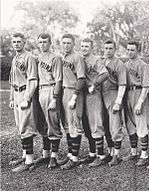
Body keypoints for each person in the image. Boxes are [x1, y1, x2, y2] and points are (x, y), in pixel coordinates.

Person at [9, 33, 38, 172]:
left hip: (25, 92)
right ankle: (24, 155)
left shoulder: (29, 57)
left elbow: (33, 79)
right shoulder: (15, 58)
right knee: (20, 126)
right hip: (16, 92)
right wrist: (11, 98)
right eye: (14, 41)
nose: (16, 44)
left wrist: (27, 98)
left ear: (24, 42)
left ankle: (29, 162)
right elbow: (12, 80)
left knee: (26, 127)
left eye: (19, 41)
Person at [34, 33, 63, 169]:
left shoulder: (56, 58)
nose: (42, 44)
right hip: (40, 90)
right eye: (40, 42)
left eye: (45, 42)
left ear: (50, 43)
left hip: (51, 89)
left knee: (53, 124)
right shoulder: (37, 57)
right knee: (42, 124)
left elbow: (58, 80)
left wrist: (55, 98)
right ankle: (46, 154)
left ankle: (54, 156)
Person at [80, 38, 110, 167]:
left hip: (93, 94)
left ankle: (101, 155)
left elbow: (105, 74)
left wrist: (95, 83)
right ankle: (92, 154)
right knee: (86, 125)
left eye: (87, 46)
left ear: (91, 47)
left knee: (96, 123)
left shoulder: (95, 60)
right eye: (82, 46)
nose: (84, 48)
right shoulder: (80, 59)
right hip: (83, 93)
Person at [58, 34, 86, 170]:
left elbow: (81, 79)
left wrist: (74, 96)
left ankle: (75, 158)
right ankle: (70, 155)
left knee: (75, 124)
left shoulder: (77, 57)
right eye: (64, 43)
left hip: (74, 91)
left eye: (69, 43)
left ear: (73, 44)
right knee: (68, 125)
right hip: (65, 90)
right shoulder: (63, 57)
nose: (66, 45)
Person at [123, 40, 149, 167]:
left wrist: (140, 102)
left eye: (132, 50)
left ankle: (144, 154)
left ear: (137, 51)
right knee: (130, 124)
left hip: (139, 92)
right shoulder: (125, 64)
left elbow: (146, 86)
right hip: (128, 94)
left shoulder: (143, 65)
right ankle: (133, 152)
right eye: (128, 49)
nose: (129, 52)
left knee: (141, 123)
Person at [100, 39, 127, 166]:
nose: (108, 51)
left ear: (115, 49)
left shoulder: (119, 63)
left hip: (113, 93)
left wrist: (118, 101)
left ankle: (117, 155)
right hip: (101, 94)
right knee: (104, 124)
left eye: (110, 48)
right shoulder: (101, 61)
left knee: (115, 125)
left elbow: (122, 84)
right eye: (106, 48)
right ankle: (110, 152)